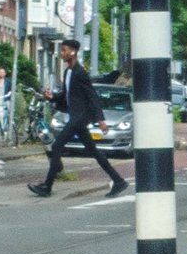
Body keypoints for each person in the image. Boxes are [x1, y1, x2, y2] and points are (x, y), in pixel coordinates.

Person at [28, 39, 129, 199]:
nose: (62, 53)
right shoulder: (68, 72)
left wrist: (100, 119)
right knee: (94, 151)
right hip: (75, 117)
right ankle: (118, 181)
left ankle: (48, 185)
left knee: (56, 147)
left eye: (65, 50)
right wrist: (52, 97)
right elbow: (67, 95)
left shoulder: (80, 72)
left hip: (79, 118)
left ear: (73, 52)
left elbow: (91, 95)